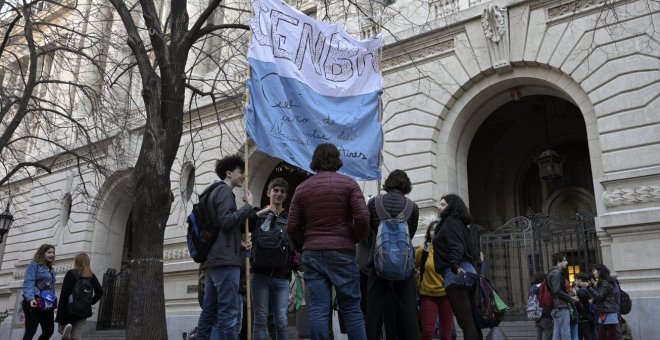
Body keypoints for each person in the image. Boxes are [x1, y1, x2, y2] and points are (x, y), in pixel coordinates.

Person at [287, 143, 370, 340]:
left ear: (315, 161)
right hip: (343, 251)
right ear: (337, 160)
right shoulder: (349, 184)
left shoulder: (302, 188)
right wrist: (352, 238)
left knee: (318, 309)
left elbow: (291, 225)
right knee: (351, 308)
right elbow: (363, 218)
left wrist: (304, 242)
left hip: (313, 253)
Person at [197, 154, 254, 340]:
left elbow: (218, 227)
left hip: (213, 261)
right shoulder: (224, 192)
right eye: (240, 173)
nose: (243, 176)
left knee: (209, 313)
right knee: (228, 314)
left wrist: (238, 242)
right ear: (229, 173)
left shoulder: (211, 191)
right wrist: (248, 207)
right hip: (225, 262)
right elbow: (226, 221)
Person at [364, 169, 420, 340]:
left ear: (388, 183)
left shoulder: (374, 203)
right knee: (409, 308)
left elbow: (368, 233)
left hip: (379, 263)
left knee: (372, 308)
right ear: (406, 185)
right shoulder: (412, 206)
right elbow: (409, 236)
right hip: (403, 266)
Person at [249, 177, 296, 340]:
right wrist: (261, 211)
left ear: (285, 196)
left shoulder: (289, 218)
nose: (279, 194)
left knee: (282, 321)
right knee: (260, 320)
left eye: (282, 191)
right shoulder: (258, 215)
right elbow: (242, 225)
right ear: (268, 192)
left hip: (281, 277)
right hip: (259, 275)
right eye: (276, 190)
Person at [432, 194, 482, 340]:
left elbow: (457, 247)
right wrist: (478, 254)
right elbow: (469, 249)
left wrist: (453, 264)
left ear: (451, 206)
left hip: (456, 273)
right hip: (467, 272)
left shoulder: (450, 221)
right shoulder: (460, 224)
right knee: (471, 320)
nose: (439, 207)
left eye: (442, 205)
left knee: (465, 321)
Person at [416, 220, 454, 340]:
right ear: (428, 233)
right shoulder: (422, 250)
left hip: (446, 295)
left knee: (446, 334)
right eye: (432, 229)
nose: (435, 232)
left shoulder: (449, 250)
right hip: (427, 295)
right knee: (427, 331)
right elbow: (415, 267)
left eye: (438, 229)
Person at [55, 252, 103, 340]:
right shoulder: (91, 276)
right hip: (83, 310)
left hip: (69, 309)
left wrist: (59, 316)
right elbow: (100, 292)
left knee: (66, 330)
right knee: (77, 335)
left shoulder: (70, 273)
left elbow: (64, 295)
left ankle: (66, 330)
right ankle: (70, 334)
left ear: (76, 261)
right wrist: (89, 302)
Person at [22, 244, 57, 340]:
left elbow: (51, 288)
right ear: (42, 253)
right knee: (30, 332)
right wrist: (30, 299)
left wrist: (52, 301)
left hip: (47, 303)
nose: (52, 254)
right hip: (35, 301)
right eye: (49, 252)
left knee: (49, 331)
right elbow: (28, 283)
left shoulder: (51, 269)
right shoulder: (34, 265)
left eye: (53, 252)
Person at [580, 264, 619, 340]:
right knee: (603, 335)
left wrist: (588, 287)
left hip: (608, 312)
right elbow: (601, 297)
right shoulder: (602, 282)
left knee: (611, 335)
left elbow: (599, 296)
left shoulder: (605, 282)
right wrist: (594, 301)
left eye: (594, 270)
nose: (593, 272)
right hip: (604, 311)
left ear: (600, 271)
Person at [547, 253, 579, 340]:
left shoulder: (552, 273)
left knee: (557, 333)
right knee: (565, 333)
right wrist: (570, 298)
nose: (567, 262)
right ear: (558, 262)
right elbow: (557, 290)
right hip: (561, 306)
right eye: (564, 260)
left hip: (556, 306)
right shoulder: (556, 273)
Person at [530, 272, 553, 340]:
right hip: (546, 313)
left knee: (538, 333)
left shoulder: (532, 288)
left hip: (536, 314)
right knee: (548, 334)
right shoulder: (544, 287)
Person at [574, 272, 596, 340]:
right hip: (591, 315)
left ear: (579, 280)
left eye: (576, 280)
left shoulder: (581, 291)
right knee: (592, 334)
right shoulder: (590, 289)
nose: (575, 282)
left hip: (585, 316)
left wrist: (575, 293)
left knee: (587, 335)